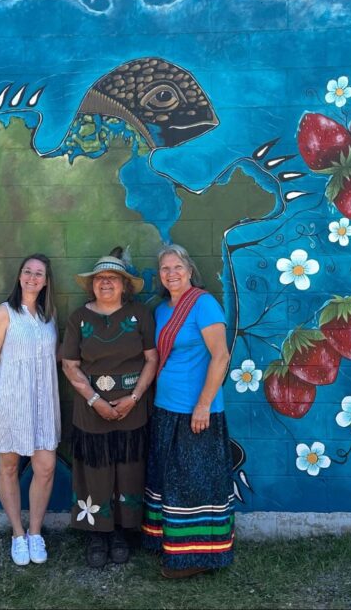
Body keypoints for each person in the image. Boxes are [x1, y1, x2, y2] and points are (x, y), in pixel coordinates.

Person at [60, 248, 158, 568]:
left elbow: (151, 359)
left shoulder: (140, 314)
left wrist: (134, 397)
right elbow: (70, 365)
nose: (105, 284)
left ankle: (120, 531)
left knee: (128, 470)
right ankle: (96, 533)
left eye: (113, 279)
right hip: (91, 409)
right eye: (100, 278)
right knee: (95, 471)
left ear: (124, 285)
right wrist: (95, 400)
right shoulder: (79, 318)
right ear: (92, 285)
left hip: (133, 406)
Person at [141, 243, 234, 578]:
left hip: (198, 411)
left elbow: (220, 356)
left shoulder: (204, 305)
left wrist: (204, 404)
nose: (172, 274)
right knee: (170, 481)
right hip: (167, 410)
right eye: (165, 269)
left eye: (177, 267)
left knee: (195, 484)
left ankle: (197, 557)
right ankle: (171, 545)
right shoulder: (161, 311)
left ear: (190, 269)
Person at [0, 254, 60, 567]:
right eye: (27, 271)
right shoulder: (4, 314)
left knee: (45, 466)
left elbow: (55, 357)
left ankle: (36, 532)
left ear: (46, 281)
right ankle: (17, 534)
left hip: (43, 404)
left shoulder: (49, 316)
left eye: (39, 273)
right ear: (19, 276)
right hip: (10, 402)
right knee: (9, 467)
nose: (32, 277)